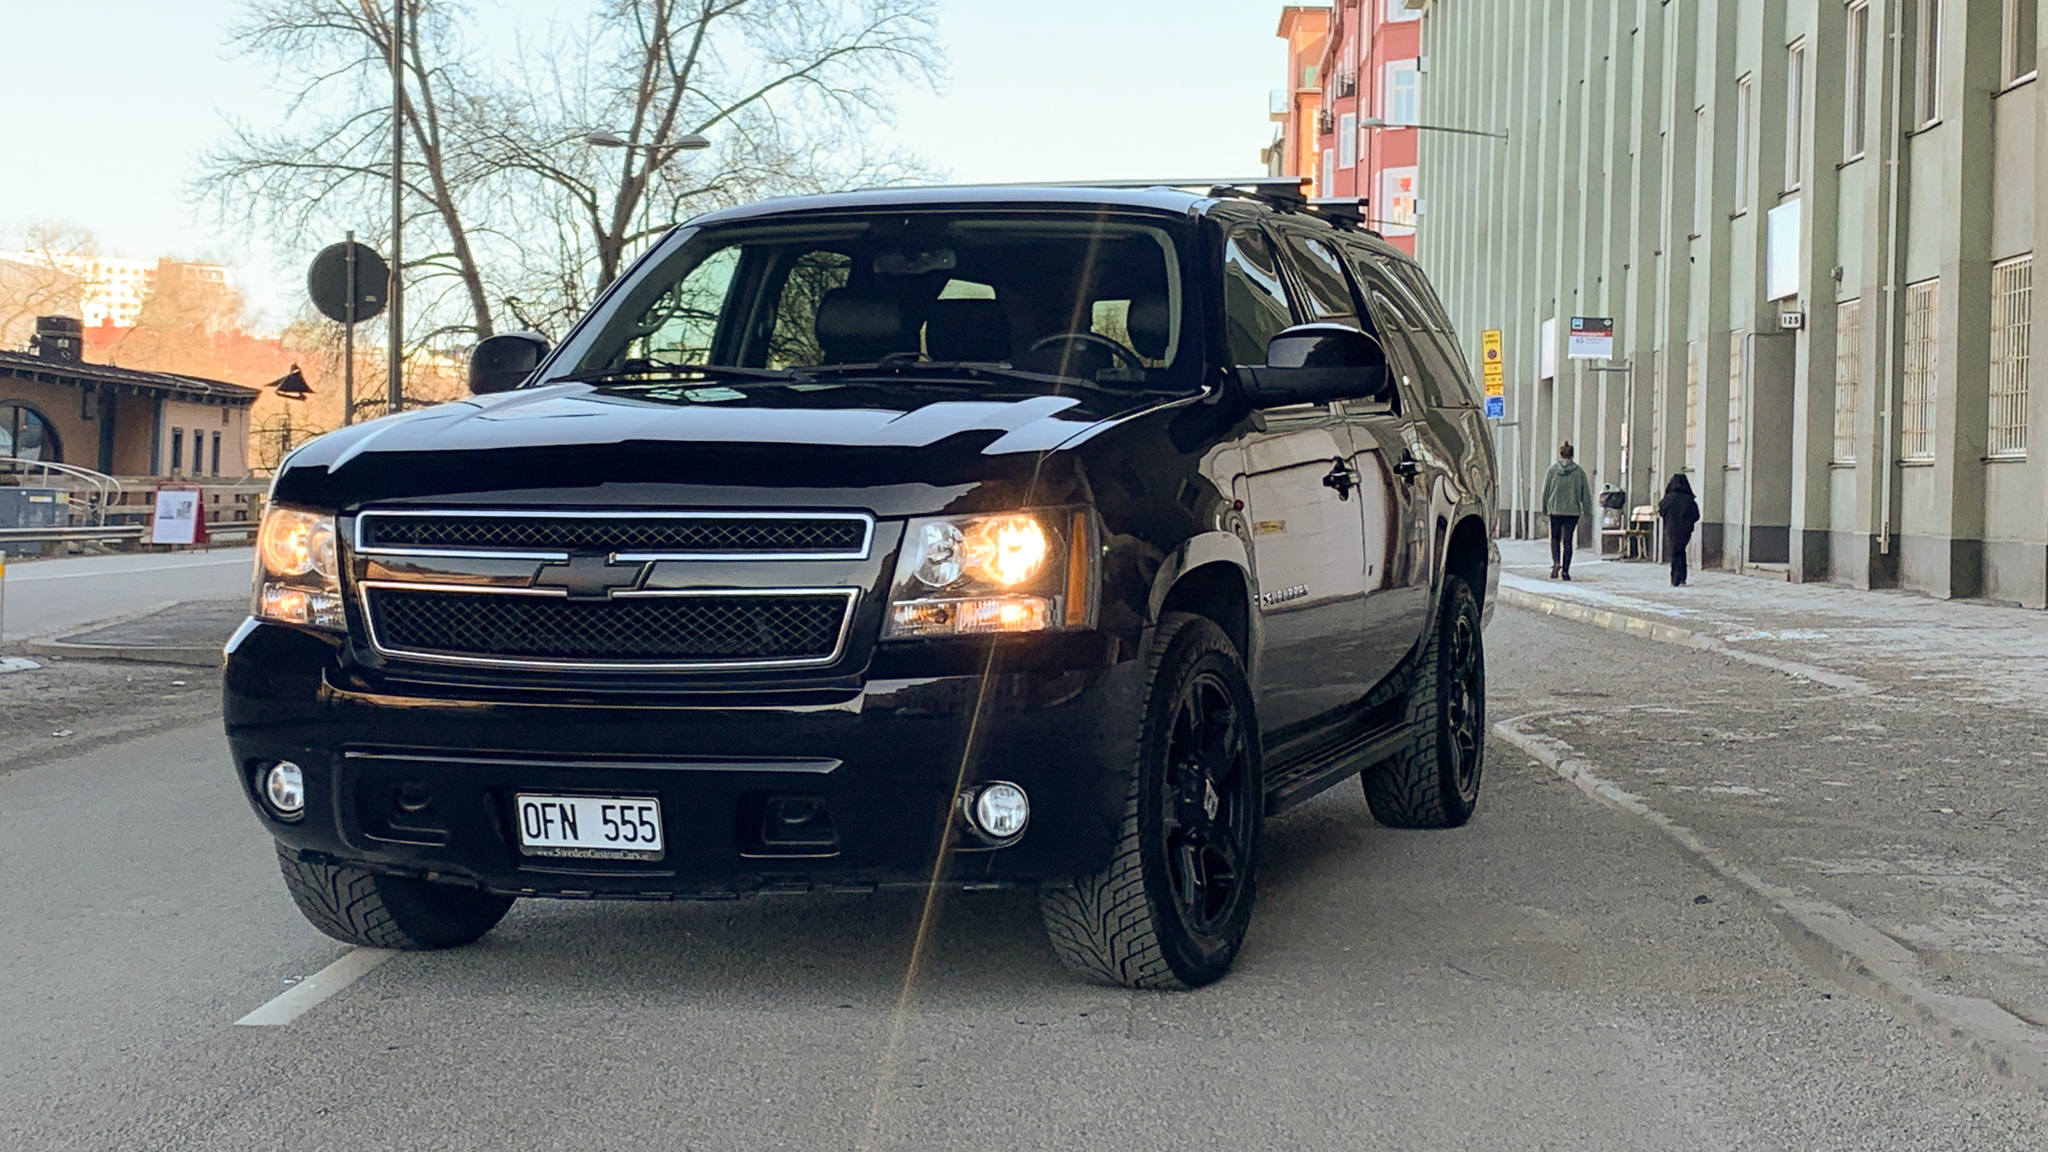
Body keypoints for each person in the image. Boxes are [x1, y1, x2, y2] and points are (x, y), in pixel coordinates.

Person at [1541, 441, 1593, 580]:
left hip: (1555, 509)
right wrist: (1587, 511)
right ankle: (1565, 571)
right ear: (1572, 455)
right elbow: (1585, 493)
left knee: (1555, 538)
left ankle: (1556, 562)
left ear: (1561, 454)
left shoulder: (1552, 470)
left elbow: (1546, 490)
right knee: (1568, 541)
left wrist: (1544, 507)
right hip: (1572, 511)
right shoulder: (1579, 471)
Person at [1658, 472, 1702, 586]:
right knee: (1680, 550)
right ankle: (1681, 577)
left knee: (1675, 551)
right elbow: (1696, 515)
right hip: (1685, 530)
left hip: (1671, 528)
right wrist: (1688, 522)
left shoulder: (1668, 499)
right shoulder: (1689, 499)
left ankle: (1675, 578)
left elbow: (1661, 511)